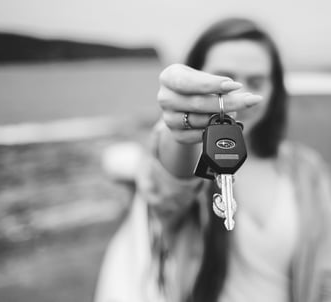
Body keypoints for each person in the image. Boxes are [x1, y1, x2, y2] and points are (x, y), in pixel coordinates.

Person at [94, 17, 331, 302]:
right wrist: (178, 132)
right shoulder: (191, 159)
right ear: (197, 80)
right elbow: (166, 189)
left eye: (256, 81)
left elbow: (323, 267)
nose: (238, 94)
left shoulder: (307, 169)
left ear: (275, 89)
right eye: (224, 79)